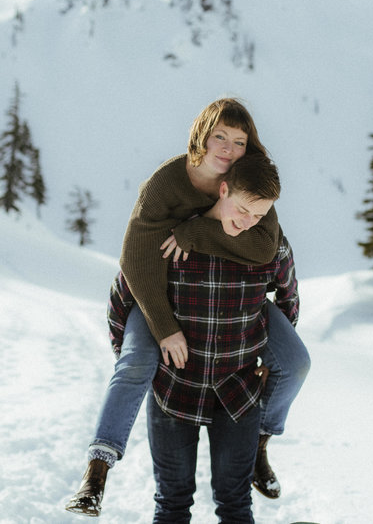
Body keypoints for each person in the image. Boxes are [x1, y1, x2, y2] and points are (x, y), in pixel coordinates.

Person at [66, 98, 310, 517]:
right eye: (220, 137)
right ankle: (97, 467)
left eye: (239, 141)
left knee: (295, 361)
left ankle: (261, 443)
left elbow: (271, 256)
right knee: (136, 363)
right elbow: (133, 266)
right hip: (160, 310)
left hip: (237, 376)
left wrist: (197, 232)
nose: (229, 148)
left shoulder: (254, 193)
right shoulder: (167, 185)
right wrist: (157, 329)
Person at [112, 153, 297, 523]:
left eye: (259, 216)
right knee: (172, 503)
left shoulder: (268, 244)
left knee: (235, 504)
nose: (247, 223)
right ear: (224, 189)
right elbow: (124, 296)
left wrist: (268, 360)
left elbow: (288, 296)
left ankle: (262, 446)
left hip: (238, 393)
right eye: (243, 210)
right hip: (174, 389)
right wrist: (136, 356)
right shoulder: (173, 236)